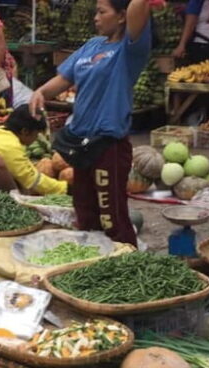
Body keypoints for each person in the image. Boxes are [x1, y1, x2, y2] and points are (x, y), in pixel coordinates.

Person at [29, 0, 151, 246]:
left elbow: (139, 7)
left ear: (121, 17)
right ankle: (90, 261)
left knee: (111, 216)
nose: (95, 17)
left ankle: (124, 260)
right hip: (80, 142)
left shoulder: (129, 50)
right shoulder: (91, 46)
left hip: (108, 145)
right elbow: (64, 78)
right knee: (84, 209)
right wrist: (40, 92)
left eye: (102, 12)